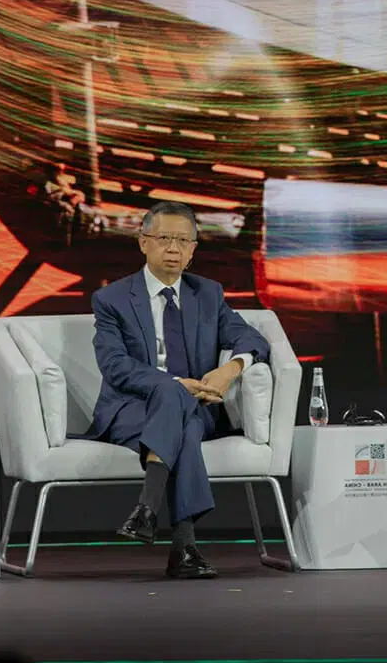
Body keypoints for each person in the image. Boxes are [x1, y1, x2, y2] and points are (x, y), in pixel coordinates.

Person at [81, 201, 271, 578]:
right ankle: (184, 547)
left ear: (193, 250)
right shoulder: (112, 299)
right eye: (164, 238)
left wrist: (231, 369)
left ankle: (147, 510)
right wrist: (173, 385)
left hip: (195, 407)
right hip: (133, 410)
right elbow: (115, 365)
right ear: (143, 243)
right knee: (176, 403)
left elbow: (252, 339)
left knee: (183, 412)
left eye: (183, 241)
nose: (173, 248)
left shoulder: (208, 294)